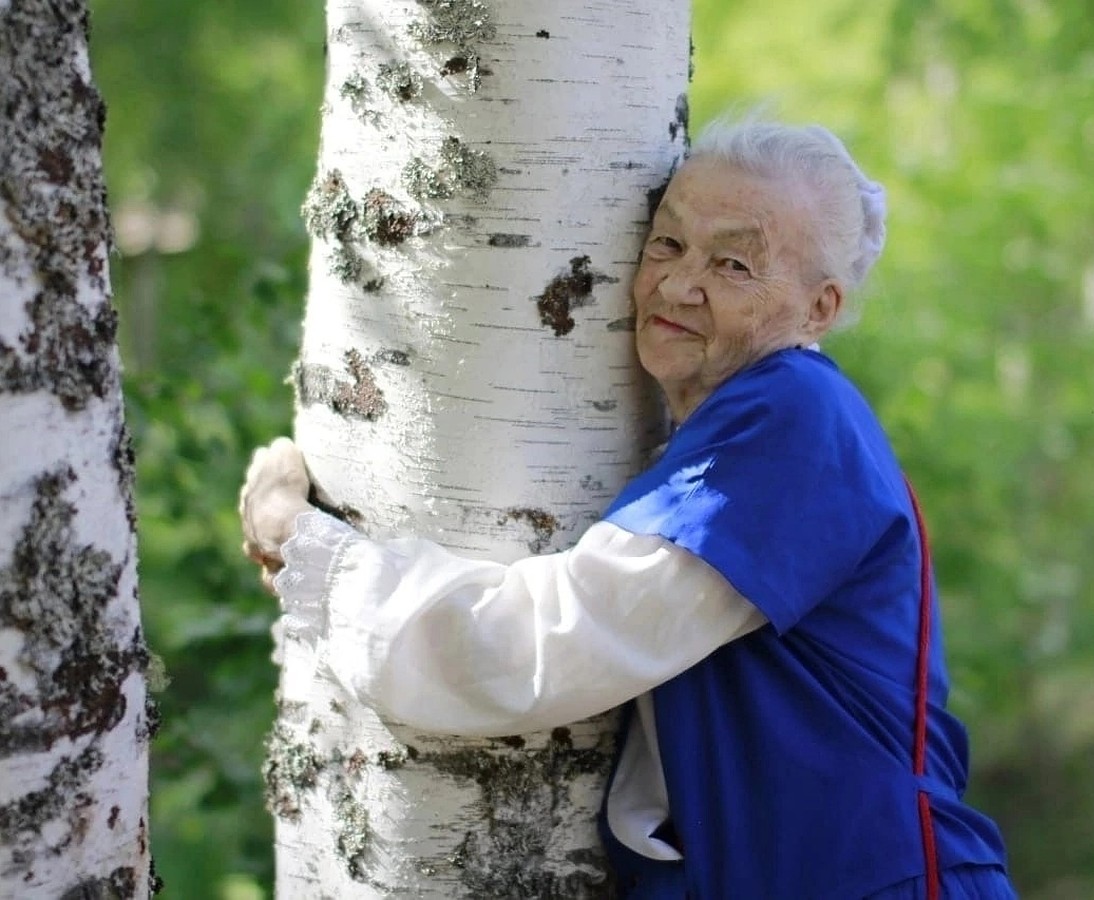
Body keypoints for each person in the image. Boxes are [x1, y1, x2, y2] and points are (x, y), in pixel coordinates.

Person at [240, 120, 1017, 899]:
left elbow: (541, 648)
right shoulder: (751, 419)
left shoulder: (795, 419)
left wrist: (304, 548)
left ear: (819, 309)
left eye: (734, 264)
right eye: (667, 245)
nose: (678, 286)